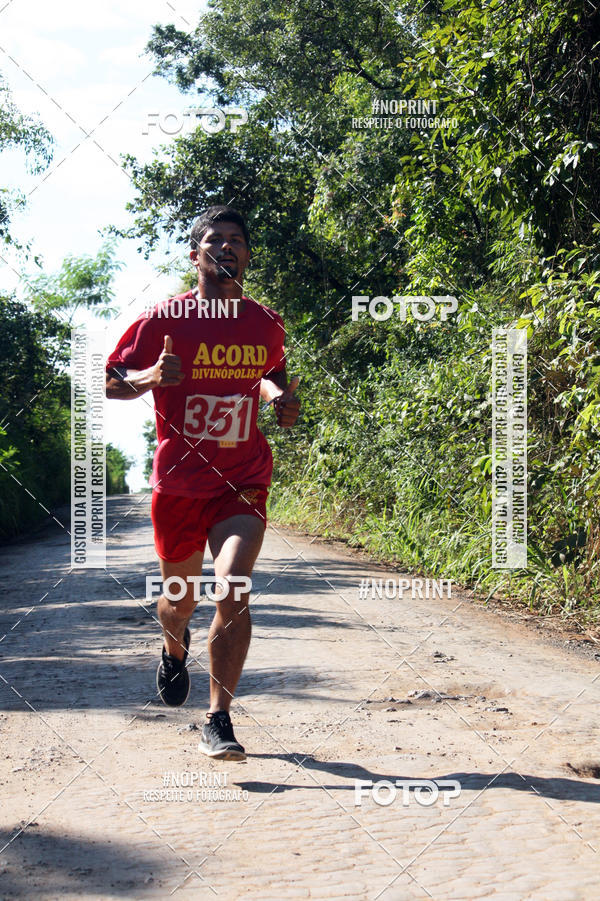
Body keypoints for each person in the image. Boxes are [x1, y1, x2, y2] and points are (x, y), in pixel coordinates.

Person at [105, 205, 300, 760]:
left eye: (236, 239)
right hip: (180, 484)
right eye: (215, 240)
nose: (227, 247)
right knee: (179, 601)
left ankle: (218, 719)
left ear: (247, 254)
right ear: (196, 255)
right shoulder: (163, 319)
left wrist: (279, 400)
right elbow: (111, 379)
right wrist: (149, 376)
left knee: (233, 586)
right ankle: (173, 646)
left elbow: (270, 371)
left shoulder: (265, 322)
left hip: (242, 477)